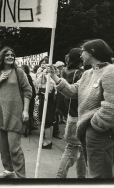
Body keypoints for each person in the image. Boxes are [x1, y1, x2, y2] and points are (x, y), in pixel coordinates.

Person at [47, 39, 114, 178]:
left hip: (99, 132)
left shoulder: (110, 71)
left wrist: (93, 125)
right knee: (95, 171)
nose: (81, 55)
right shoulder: (87, 73)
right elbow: (72, 91)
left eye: (83, 51)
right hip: (87, 130)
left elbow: (111, 106)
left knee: (99, 174)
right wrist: (54, 76)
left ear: (92, 52)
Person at [0, 47, 31, 179]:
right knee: (2, 146)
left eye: (12, 55)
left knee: (14, 148)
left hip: (15, 113)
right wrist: (0, 79)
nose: (10, 57)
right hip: (1, 113)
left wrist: (25, 110)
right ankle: (8, 171)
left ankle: (21, 177)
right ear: (2, 57)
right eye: (7, 55)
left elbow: (27, 91)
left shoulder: (19, 72)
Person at [56, 48, 86, 178]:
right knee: (71, 150)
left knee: (82, 151)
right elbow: (76, 92)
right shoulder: (81, 73)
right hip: (78, 113)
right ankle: (59, 179)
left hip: (70, 113)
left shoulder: (64, 72)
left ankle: (82, 179)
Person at [36, 58, 58, 148]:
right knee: (46, 119)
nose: (44, 65)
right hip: (44, 96)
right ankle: (47, 140)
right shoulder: (42, 72)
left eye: (46, 63)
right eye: (42, 63)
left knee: (47, 120)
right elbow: (37, 83)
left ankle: (48, 141)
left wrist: (45, 74)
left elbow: (52, 85)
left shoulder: (51, 73)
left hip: (48, 98)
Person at [21, 64, 37, 137]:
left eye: (22, 69)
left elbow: (30, 88)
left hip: (28, 97)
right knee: (28, 113)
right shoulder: (22, 76)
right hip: (27, 97)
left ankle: (26, 128)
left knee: (28, 112)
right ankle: (27, 128)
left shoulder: (27, 77)